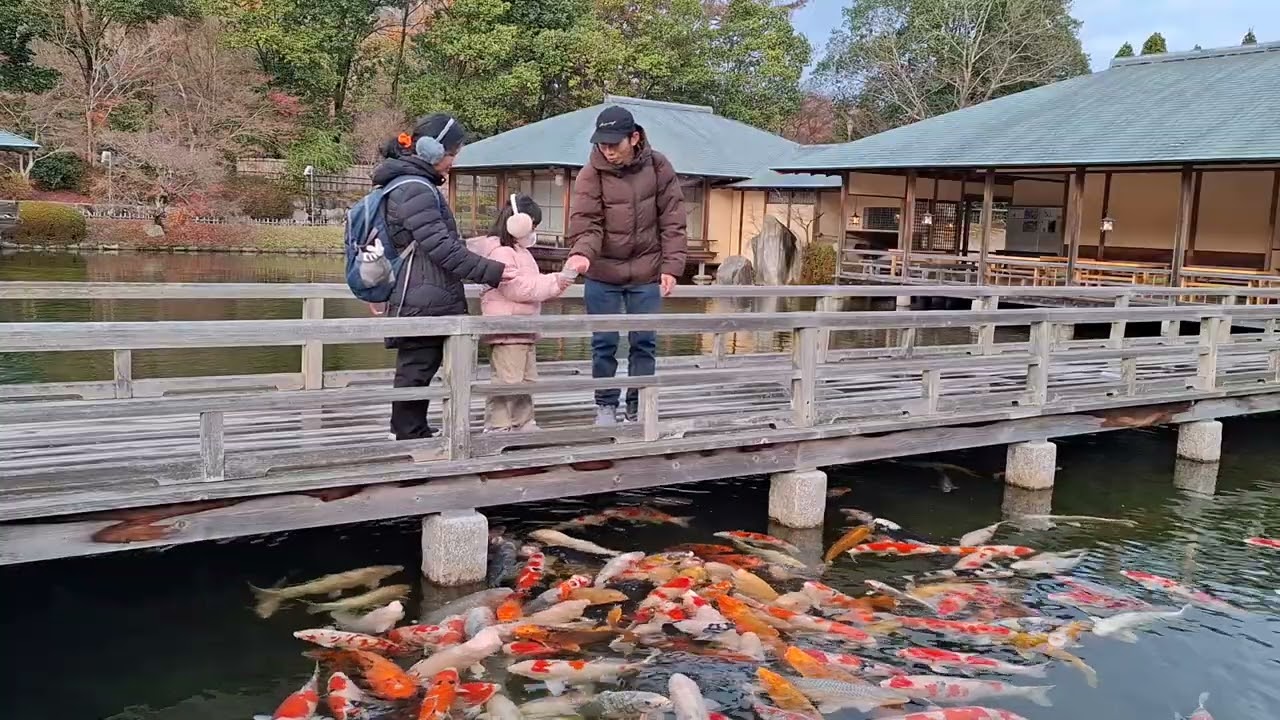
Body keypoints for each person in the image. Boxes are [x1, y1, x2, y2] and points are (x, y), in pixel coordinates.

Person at [371, 113, 515, 440]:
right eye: (452, 153)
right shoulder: (416, 189)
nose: (453, 161)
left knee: (420, 364)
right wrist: (491, 271)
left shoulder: (409, 184)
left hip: (421, 289)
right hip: (421, 292)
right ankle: (406, 433)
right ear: (433, 150)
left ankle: (412, 428)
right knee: (417, 365)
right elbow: (441, 247)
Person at [562, 106, 688, 426]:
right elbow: (587, 223)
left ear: (633, 138)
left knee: (643, 342)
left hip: (646, 270)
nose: (607, 151)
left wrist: (671, 267)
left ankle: (638, 405)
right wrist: (582, 253)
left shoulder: (659, 167)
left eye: (613, 144)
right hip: (603, 271)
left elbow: (673, 221)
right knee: (603, 342)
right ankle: (606, 405)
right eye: (602, 144)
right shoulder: (591, 174)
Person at [468, 194, 575, 432]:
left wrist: (554, 284)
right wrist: (555, 281)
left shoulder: (519, 251)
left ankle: (523, 422)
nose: (534, 231)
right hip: (507, 327)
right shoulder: (500, 252)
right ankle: (498, 426)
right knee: (507, 380)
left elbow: (530, 285)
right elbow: (516, 288)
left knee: (526, 379)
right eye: (533, 225)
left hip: (523, 326)